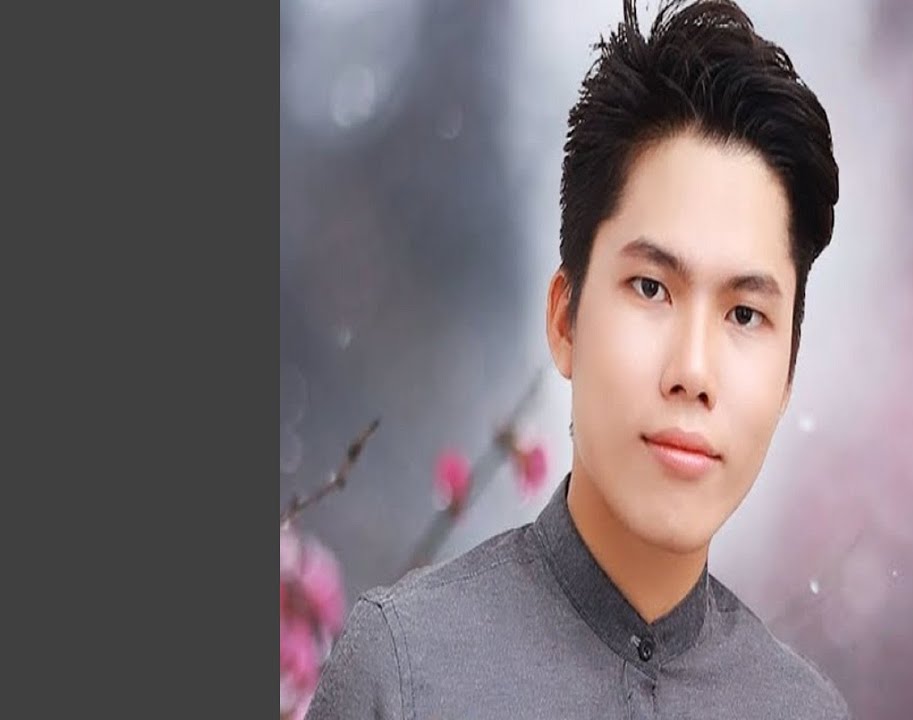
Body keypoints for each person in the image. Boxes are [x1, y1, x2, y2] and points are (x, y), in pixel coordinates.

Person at [307, 0, 844, 716]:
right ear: (565, 319)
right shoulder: (405, 673)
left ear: (788, 376)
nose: (692, 371)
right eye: (651, 288)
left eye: (744, 314)